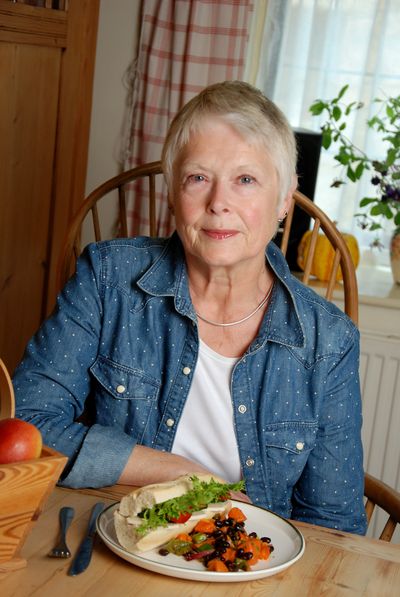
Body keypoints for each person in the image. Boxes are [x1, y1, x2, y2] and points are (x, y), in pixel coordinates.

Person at [13, 81, 367, 534]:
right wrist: (177, 473)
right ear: (172, 191)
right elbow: (26, 426)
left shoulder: (328, 341)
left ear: (283, 200)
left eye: (246, 180)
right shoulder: (108, 279)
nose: (218, 203)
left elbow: (335, 526)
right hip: (119, 539)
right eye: (198, 177)